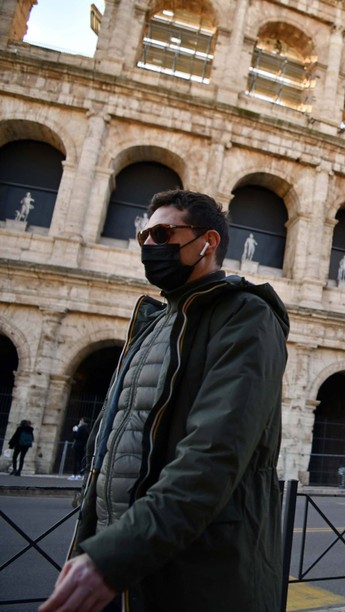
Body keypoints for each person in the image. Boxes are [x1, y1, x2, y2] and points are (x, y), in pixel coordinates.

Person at [41, 190, 290, 612]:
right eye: (144, 238)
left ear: (207, 242)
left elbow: (213, 456)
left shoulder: (246, 317)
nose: (149, 246)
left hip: (199, 574)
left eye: (162, 233)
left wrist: (114, 556)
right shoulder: (155, 322)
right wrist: (98, 542)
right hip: (130, 561)